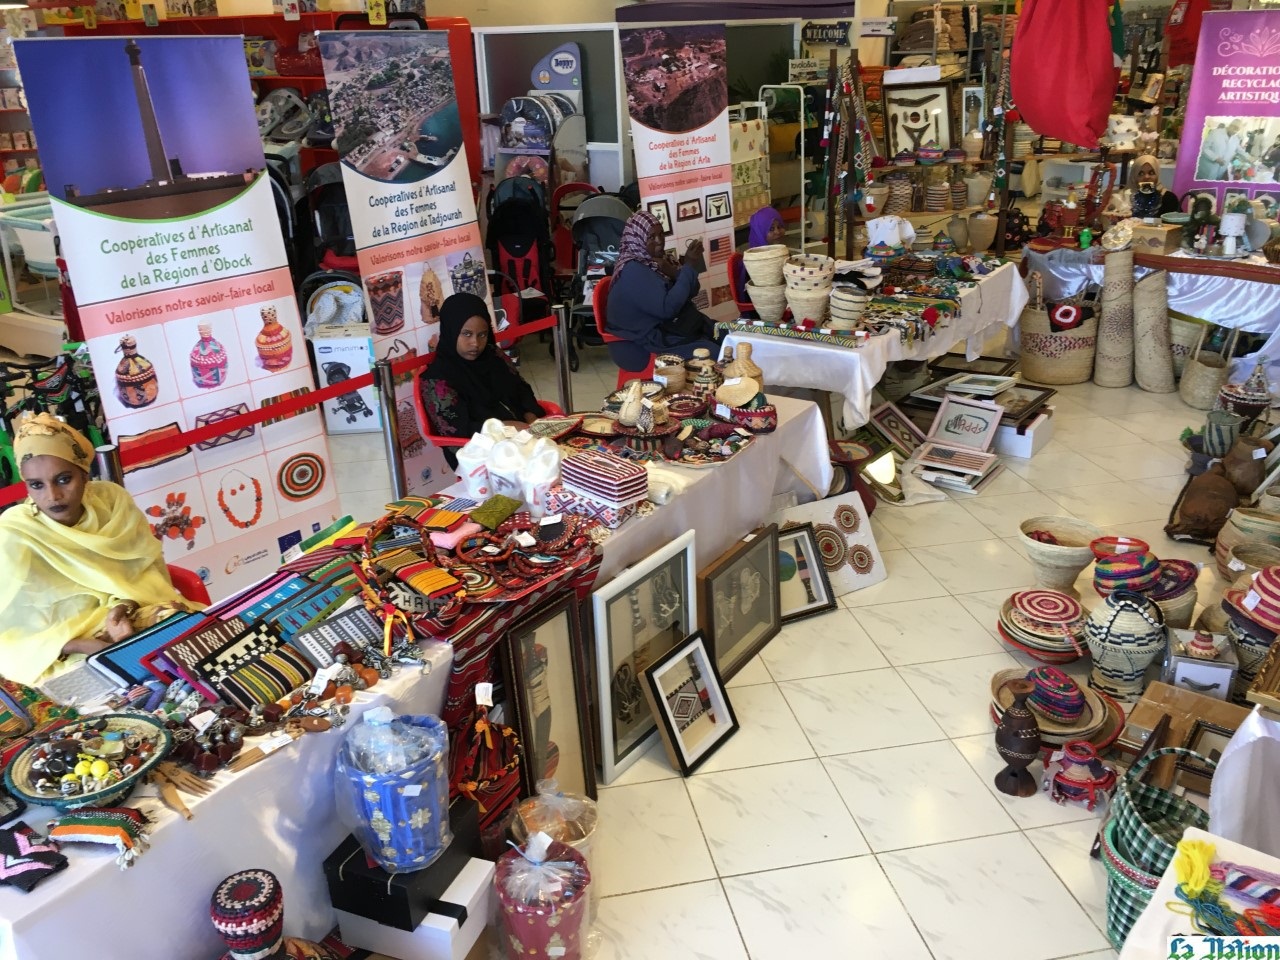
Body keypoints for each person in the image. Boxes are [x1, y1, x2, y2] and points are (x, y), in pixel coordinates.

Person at [0, 413, 201, 685]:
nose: (52, 496)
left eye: (63, 479)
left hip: (127, 619)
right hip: (57, 653)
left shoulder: (111, 502)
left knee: (183, 634)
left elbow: (142, 573)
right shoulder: (14, 532)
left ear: (84, 474)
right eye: (36, 485)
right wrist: (81, 645)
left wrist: (124, 605)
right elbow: (11, 633)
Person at [420, 292, 543, 467]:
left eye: (482, 335)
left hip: (522, 440)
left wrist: (531, 419)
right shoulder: (437, 380)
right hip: (479, 458)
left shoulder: (494, 357)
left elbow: (521, 390)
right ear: (450, 331)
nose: (475, 343)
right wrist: (506, 428)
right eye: (466, 334)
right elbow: (457, 431)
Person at [605, 210, 719, 360]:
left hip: (666, 329)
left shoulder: (658, 261)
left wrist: (675, 272)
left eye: (661, 234)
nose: (659, 241)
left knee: (723, 335)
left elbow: (692, 291)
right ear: (637, 239)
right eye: (651, 237)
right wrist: (689, 266)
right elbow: (668, 309)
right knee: (715, 353)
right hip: (642, 343)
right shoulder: (633, 269)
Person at [735, 206, 787, 297]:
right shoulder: (753, 262)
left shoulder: (782, 253)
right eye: (771, 229)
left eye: (779, 226)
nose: (777, 232)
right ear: (760, 232)